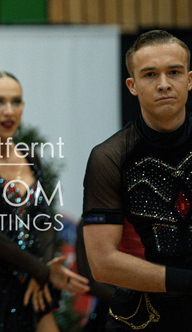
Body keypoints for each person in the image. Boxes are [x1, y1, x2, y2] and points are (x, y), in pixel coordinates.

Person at [0, 71, 90, 332]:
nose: (9, 111)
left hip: (32, 283)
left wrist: (46, 267)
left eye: (15, 101)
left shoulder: (29, 155)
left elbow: (44, 221)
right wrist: (41, 269)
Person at [82, 29, 192, 330]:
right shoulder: (109, 157)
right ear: (132, 85)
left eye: (174, 72)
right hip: (141, 319)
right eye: (150, 74)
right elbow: (102, 263)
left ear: (189, 80)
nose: (164, 83)